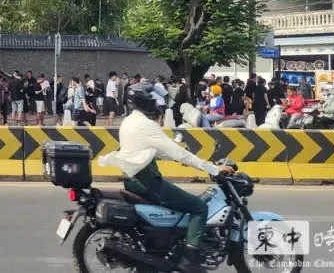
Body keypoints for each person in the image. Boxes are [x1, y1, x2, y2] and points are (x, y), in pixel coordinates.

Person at [98, 81, 234, 273]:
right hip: (147, 183)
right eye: (152, 99)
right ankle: (189, 259)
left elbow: (156, 150)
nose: (156, 103)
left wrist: (181, 158)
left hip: (133, 180)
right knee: (199, 207)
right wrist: (213, 169)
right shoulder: (146, 125)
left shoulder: (129, 121)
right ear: (144, 101)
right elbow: (178, 153)